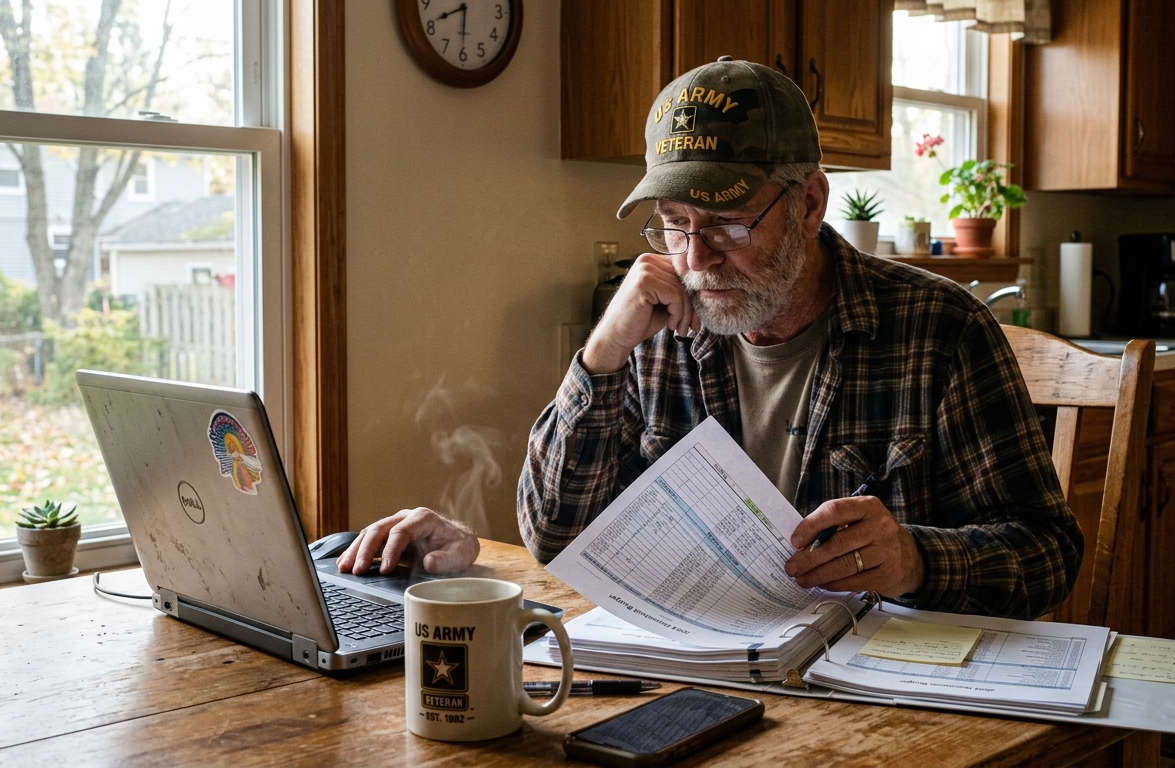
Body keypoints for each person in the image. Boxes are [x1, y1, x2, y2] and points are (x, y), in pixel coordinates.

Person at [339, 57, 1082, 620]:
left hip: (888, 687)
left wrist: (919, 557)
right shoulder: (655, 332)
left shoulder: (941, 331)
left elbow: (1049, 554)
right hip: (702, 665)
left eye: (728, 222)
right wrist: (602, 353)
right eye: (674, 223)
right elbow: (555, 536)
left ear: (810, 202)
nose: (695, 259)